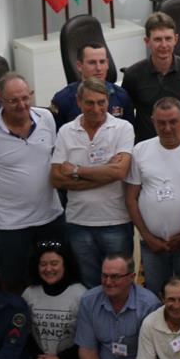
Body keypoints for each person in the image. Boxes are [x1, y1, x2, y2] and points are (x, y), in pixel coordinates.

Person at [0, 73, 64, 293]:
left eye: (26, 98)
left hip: (50, 219)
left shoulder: (46, 118)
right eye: (13, 100)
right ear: (0, 100)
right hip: (11, 226)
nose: (22, 105)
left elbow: (53, 156)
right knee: (15, 281)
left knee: (52, 276)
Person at [125, 97, 180, 307]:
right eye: (161, 123)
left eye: (173, 121)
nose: (167, 128)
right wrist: (148, 237)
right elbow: (130, 199)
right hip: (152, 246)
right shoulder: (141, 150)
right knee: (156, 300)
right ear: (152, 121)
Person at [50, 78, 135, 288]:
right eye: (90, 103)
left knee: (120, 284)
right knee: (89, 285)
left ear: (108, 101)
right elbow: (56, 178)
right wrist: (105, 172)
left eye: (101, 102)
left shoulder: (123, 128)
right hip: (78, 223)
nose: (96, 108)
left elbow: (120, 171)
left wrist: (77, 171)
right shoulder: (66, 131)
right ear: (79, 101)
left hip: (115, 221)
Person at [122, 12, 180, 142]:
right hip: (146, 148)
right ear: (147, 41)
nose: (164, 45)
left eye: (168, 39)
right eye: (158, 39)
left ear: (176, 39)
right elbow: (127, 117)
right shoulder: (133, 75)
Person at [49, 41, 133, 128]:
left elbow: (130, 132)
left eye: (102, 62)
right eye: (92, 63)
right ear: (79, 65)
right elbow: (56, 137)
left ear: (107, 64)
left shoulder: (122, 96)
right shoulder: (63, 99)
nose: (98, 68)